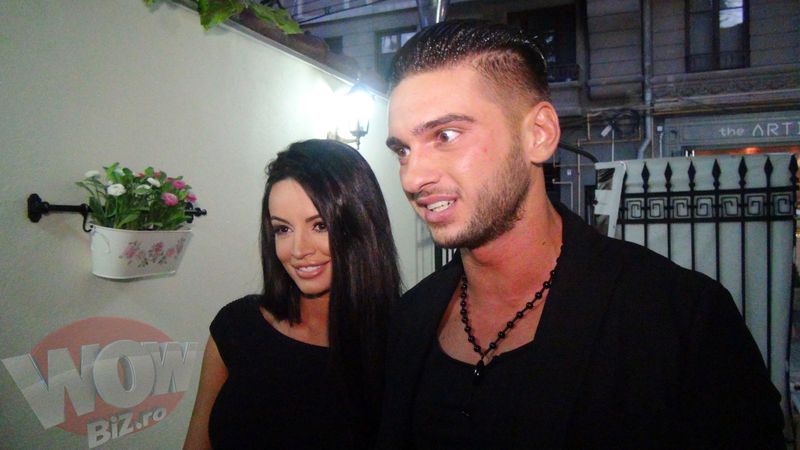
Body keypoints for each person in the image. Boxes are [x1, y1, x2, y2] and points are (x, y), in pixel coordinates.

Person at [377, 20, 784, 449]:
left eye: (446, 135)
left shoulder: (678, 320)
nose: (413, 177)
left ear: (539, 134)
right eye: (403, 150)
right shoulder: (409, 321)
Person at [184, 139, 401, 449]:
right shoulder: (236, 327)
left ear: (361, 226)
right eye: (283, 229)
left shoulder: (403, 344)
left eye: (320, 225)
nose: (298, 250)